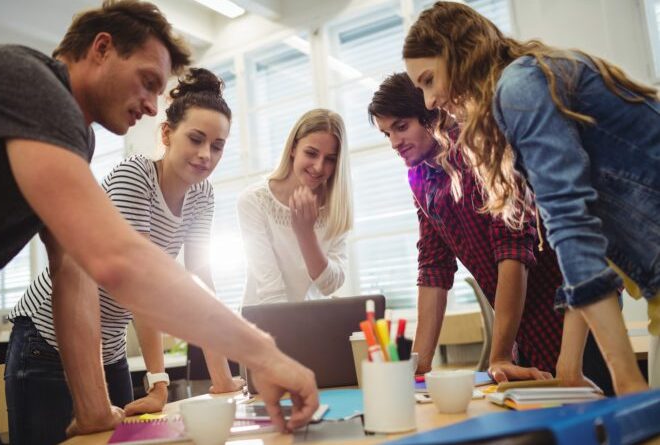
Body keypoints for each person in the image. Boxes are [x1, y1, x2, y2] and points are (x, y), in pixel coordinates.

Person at [0, 1, 317, 442]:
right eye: (147, 82)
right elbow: (121, 262)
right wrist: (265, 355)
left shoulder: (76, 137)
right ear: (102, 49)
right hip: (41, 343)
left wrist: (92, 407)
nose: (151, 107)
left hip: (103, 346)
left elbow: (72, 266)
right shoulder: (34, 86)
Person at [402, 1, 659, 395]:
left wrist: (625, 379)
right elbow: (588, 239)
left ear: (458, 54)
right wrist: (569, 365)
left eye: (429, 80)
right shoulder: (525, 84)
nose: (429, 101)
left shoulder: (519, 88)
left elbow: (572, 228)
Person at [5, 68, 245, 445]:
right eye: (196, 139)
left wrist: (223, 378)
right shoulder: (136, 176)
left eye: (217, 146)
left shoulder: (203, 196)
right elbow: (138, 282)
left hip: (109, 350)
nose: (205, 155)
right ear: (166, 134)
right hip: (46, 342)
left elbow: (203, 283)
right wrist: (159, 381)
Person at [368, 72, 612, 390]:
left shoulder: (479, 151)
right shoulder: (420, 179)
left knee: (604, 413)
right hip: (523, 331)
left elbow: (513, 250)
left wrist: (499, 356)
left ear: (431, 114)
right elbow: (433, 268)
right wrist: (418, 369)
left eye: (402, 127)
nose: (394, 142)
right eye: (387, 133)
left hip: (573, 315)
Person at [238, 109, 353, 305]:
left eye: (330, 159)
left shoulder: (336, 208)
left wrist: (305, 234)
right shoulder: (254, 201)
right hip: (263, 319)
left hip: (309, 319)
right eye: (311, 153)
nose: (318, 167)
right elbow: (271, 291)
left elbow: (330, 285)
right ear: (293, 149)